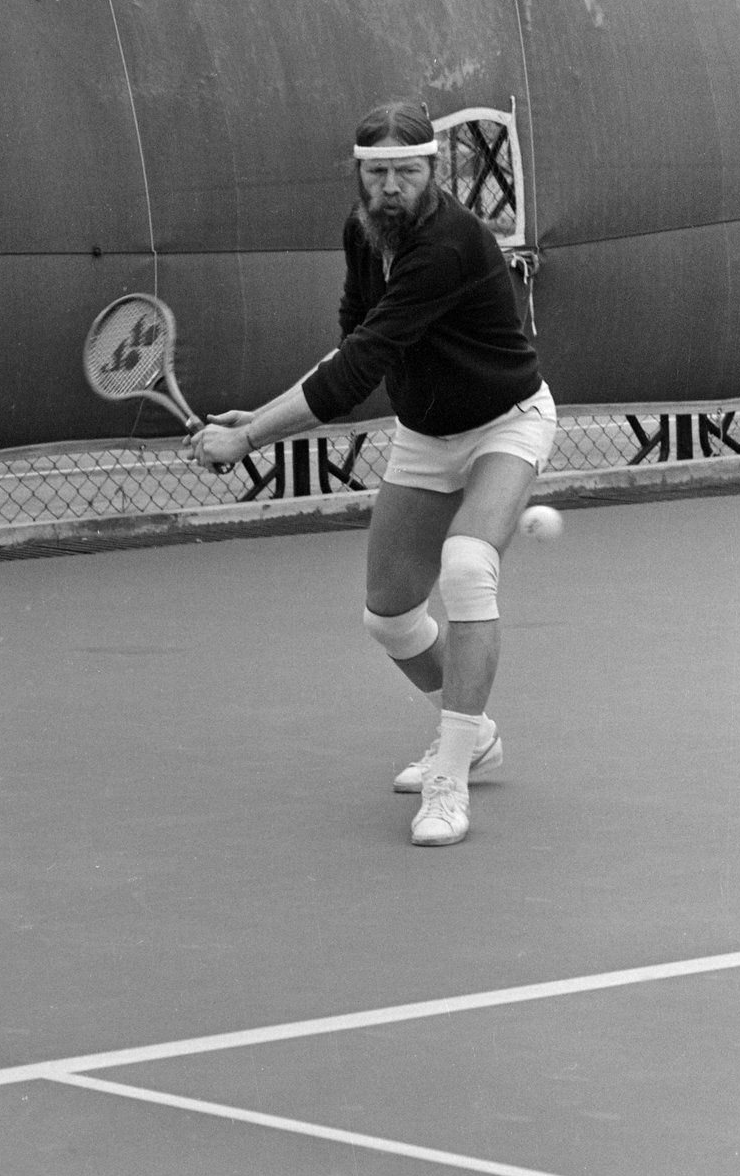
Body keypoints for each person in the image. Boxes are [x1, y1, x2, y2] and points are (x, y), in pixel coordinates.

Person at [191, 100, 556, 848]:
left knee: (465, 569)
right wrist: (253, 417)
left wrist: (252, 437)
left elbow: (361, 367)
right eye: (378, 172)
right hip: (425, 433)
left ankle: (452, 776)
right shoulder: (364, 234)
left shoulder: (450, 244)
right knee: (388, 614)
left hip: (507, 421)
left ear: (434, 170)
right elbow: (353, 338)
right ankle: (474, 730)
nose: (392, 186)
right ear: (361, 175)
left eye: (408, 171)